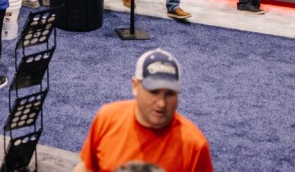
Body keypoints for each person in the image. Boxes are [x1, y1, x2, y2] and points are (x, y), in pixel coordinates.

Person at [76, 49, 214, 172]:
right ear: (135, 86)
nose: (161, 103)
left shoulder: (194, 145)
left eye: (170, 94)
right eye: (153, 92)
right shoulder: (107, 117)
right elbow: (86, 168)